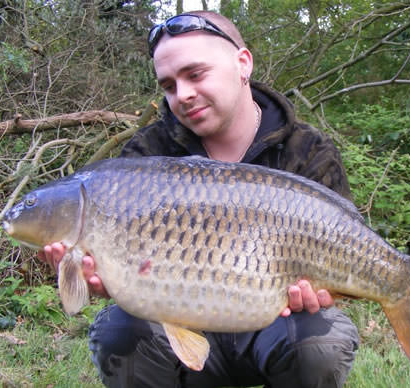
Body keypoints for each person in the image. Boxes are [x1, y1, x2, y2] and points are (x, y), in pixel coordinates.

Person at [39, 10, 359, 388]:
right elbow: (115, 276)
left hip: (273, 326)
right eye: (169, 85)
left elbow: (341, 261)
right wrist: (104, 275)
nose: (183, 95)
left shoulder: (308, 150)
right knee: (118, 330)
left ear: (243, 64)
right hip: (174, 327)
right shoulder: (145, 155)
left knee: (320, 340)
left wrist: (321, 291)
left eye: (195, 74)